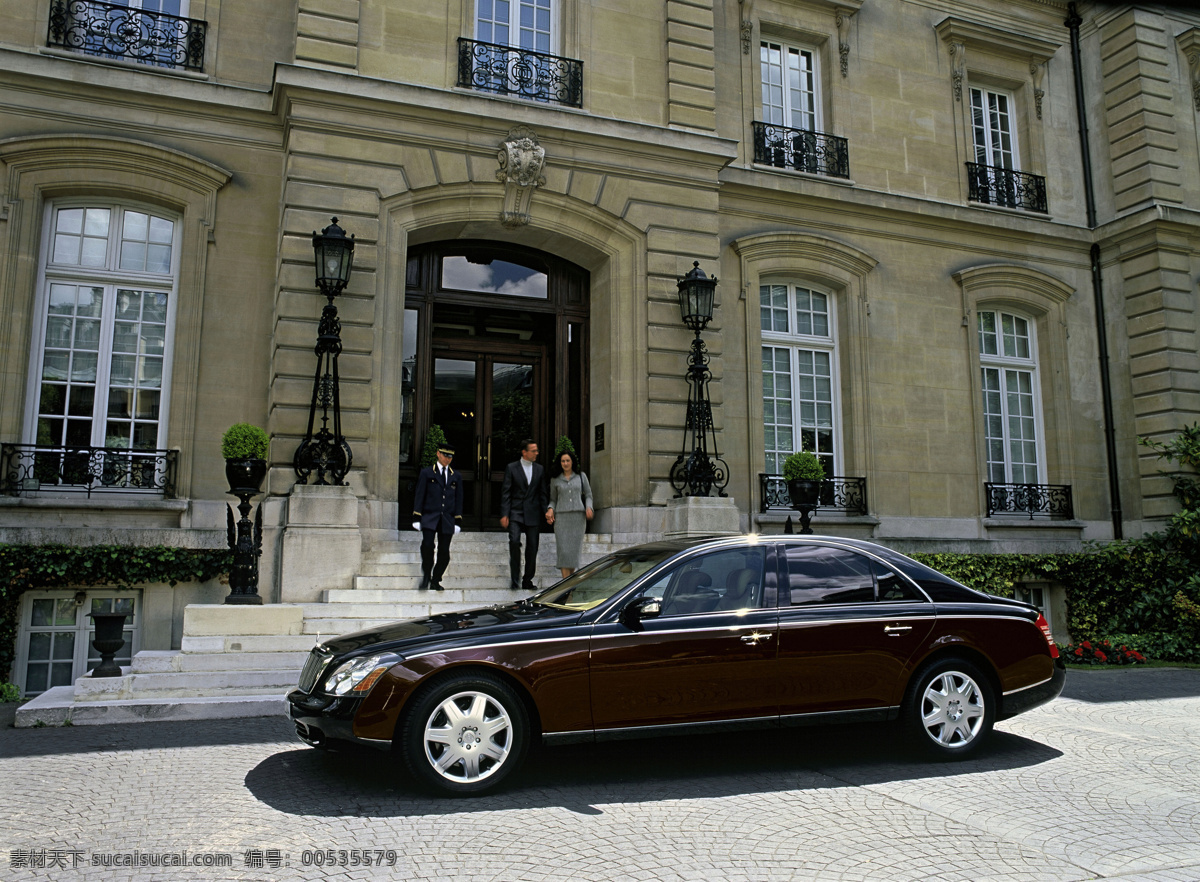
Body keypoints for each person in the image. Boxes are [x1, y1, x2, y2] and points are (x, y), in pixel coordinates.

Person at [499, 439, 549, 591]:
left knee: (532, 547)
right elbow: (506, 493)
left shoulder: (539, 469)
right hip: (515, 512)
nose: (537, 453)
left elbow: (542, 494)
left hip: (533, 513)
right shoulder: (512, 468)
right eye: (533, 451)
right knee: (514, 542)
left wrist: (546, 510)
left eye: (537, 450)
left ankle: (527, 579)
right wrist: (504, 514)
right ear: (524, 452)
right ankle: (515, 579)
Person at [412, 443, 463, 591]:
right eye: (445, 455)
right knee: (427, 546)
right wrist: (417, 516)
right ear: (438, 454)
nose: (448, 459)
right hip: (429, 516)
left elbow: (459, 499)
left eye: (450, 456)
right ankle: (427, 576)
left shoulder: (455, 476)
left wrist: (458, 520)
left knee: (444, 553)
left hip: (447, 519)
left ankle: (436, 579)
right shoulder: (427, 473)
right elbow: (420, 495)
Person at [546, 450, 593, 577]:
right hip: (562, 518)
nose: (565, 463)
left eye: (567, 461)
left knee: (573, 556)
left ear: (572, 462)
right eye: (563, 461)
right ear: (560, 463)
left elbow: (588, 495)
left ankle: (569, 588)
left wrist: (589, 508)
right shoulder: (555, 479)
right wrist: (550, 509)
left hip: (578, 518)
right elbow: (553, 499)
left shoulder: (581, 476)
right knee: (564, 554)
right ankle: (566, 589)